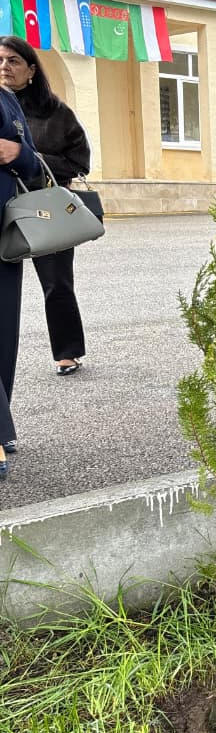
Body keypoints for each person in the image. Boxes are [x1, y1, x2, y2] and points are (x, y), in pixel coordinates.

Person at [0, 37, 92, 378]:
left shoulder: (57, 113)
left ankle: (67, 353)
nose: (5, 67)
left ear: (31, 71)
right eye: (0, 61)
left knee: (57, 283)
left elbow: (79, 161)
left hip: (44, 207)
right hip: (3, 205)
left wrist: (32, 159)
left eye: (13, 61)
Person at [0, 81, 41, 476]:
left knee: (4, 331)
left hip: (4, 235)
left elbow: (33, 165)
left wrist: (18, 153)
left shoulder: (6, 99)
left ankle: (3, 420)